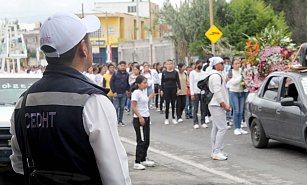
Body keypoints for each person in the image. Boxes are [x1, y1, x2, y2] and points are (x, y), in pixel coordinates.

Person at [10, 12, 131, 185]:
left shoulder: (24, 102)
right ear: (83, 48)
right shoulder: (92, 101)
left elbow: (19, 164)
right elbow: (116, 177)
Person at [208, 57, 231, 161]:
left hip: (215, 104)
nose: (223, 65)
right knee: (222, 128)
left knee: (216, 128)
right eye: (221, 63)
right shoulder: (216, 76)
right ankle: (217, 151)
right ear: (216, 65)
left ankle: (216, 150)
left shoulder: (215, 75)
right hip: (216, 104)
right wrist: (223, 104)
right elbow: (217, 92)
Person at [131, 75, 156, 170]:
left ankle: (143, 159)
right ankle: (137, 162)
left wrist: (151, 96)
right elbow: (133, 107)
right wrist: (140, 117)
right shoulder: (136, 93)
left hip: (146, 117)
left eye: (146, 82)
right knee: (140, 141)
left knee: (147, 140)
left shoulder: (143, 91)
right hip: (139, 118)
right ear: (138, 84)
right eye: (144, 83)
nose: (146, 84)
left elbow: (145, 101)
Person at [228, 58, 248, 135]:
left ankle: (240, 127)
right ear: (232, 65)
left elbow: (246, 80)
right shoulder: (231, 72)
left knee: (241, 111)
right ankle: (236, 128)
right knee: (236, 110)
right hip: (234, 92)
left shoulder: (242, 71)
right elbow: (233, 82)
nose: (238, 65)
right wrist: (241, 77)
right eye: (235, 64)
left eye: (238, 63)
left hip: (241, 92)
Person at [160, 60, 181, 125]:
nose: (169, 65)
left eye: (170, 64)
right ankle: (166, 118)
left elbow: (178, 81)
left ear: (173, 65)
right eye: (168, 64)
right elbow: (162, 82)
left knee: (173, 103)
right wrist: (161, 90)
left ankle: (173, 117)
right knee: (167, 104)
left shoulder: (175, 72)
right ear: (165, 65)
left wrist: (179, 89)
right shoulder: (164, 72)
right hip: (166, 89)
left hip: (173, 89)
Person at [110, 61, 130, 126]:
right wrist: (114, 91)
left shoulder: (127, 74)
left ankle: (120, 121)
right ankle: (115, 121)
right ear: (119, 66)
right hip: (116, 93)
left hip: (123, 93)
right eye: (121, 65)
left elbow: (128, 83)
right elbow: (111, 83)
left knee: (122, 108)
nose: (123, 67)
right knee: (115, 107)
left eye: (124, 65)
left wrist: (127, 90)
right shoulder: (115, 73)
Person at [189, 60, 208, 129]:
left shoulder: (204, 73)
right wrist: (192, 93)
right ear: (196, 65)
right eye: (199, 64)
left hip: (202, 92)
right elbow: (191, 83)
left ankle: (203, 122)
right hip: (195, 92)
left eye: (201, 64)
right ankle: (195, 122)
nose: (200, 66)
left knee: (203, 108)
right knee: (195, 108)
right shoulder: (192, 73)